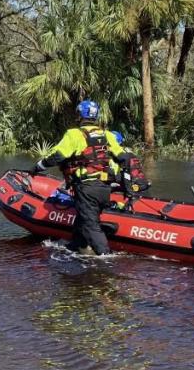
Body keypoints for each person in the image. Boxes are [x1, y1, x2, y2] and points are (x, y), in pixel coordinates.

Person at [32, 100, 126, 255]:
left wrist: (39, 166)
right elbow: (124, 156)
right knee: (83, 218)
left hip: (86, 188)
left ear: (80, 115)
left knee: (90, 225)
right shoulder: (108, 135)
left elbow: (58, 156)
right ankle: (76, 244)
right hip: (104, 189)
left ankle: (106, 259)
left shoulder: (74, 134)